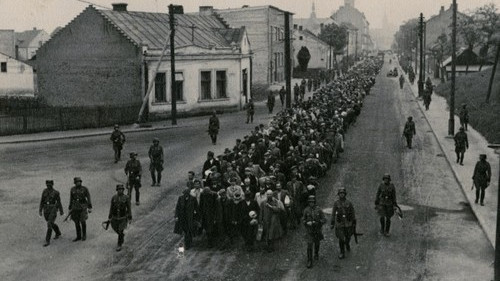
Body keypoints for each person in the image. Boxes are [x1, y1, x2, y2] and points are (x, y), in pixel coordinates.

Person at [330, 188, 356, 259]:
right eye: (340, 193)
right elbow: (333, 214)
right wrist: (332, 222)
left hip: (348, 222)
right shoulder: (336, 203)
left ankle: (347, 243)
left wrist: (354, 221)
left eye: (343, 193)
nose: (341, 194)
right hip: (339, 223)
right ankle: (342, 252)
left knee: (348, 236)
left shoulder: (349, 203)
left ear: (345, 194)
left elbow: (352, 212)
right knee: (341, 238)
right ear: (338, 195)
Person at [302, 195, 326, 268]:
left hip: (317, 230)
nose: (311, 203)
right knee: (309, 245)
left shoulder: (319, 210)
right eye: (310, 202)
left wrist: (317, 222)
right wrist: (306, 222)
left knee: (317, 243)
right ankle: (309, 260)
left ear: (315, 202)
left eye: (312, 202)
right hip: (309, 231)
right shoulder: (306, 210)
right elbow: (303, 219)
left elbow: (324, 219)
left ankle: (316, 253)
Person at [39, 180, 63, 247]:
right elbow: (42, 201)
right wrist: (40, 210)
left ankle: (47, 240)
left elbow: (58, 202)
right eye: (47, 184)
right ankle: (58, 232)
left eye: (50, 184)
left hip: (53, 209)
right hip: (46, 209)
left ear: (52, 185)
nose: (48, 186)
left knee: (49, 223)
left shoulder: (56, 193)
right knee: (51, 223)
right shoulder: (44, 191)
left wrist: (61, 211)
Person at [108, 184, 132, 251]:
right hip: (115, 217)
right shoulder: (114, 198)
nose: (120, 191)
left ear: (123, 190)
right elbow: (111, 208)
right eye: (119, 189)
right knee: (116, 229)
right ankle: (121, 236)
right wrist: (110, 216)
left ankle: (119, 244)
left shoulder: (126, 198)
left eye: (121, 189)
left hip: (123, 217)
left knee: (121, 230)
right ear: (117, 190)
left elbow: (129, 208)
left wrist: (130, 217)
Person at [69, 177, 92, 242]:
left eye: (79, 182)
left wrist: (89, 207)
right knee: (76, 222)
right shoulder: (72, 189)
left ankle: (84, 235)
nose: (78, 183)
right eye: (76, 182)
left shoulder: (85, 189)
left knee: (83, 221)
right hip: (75, 207)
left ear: (81, 182)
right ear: (75, 183)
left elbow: (88, 197)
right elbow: (71, 199)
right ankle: (78, 236)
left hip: (83, 207)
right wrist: (70, 207)